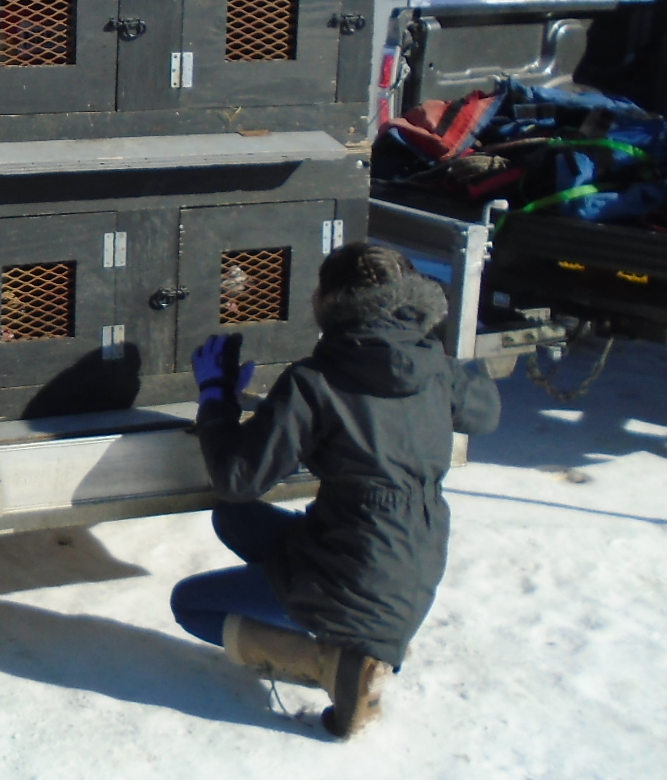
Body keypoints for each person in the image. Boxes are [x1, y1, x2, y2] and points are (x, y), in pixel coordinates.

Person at [172, 241, 502, 738]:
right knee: (232, 518)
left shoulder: (317, 379)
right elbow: (488, 413)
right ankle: (360, 640)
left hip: (351, 577)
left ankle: (336, 663)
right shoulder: (435, 366)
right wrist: (438, 354)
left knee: (190, 604)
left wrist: (217, 398)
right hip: (415, 556)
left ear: (331, 302)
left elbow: (239, 477)